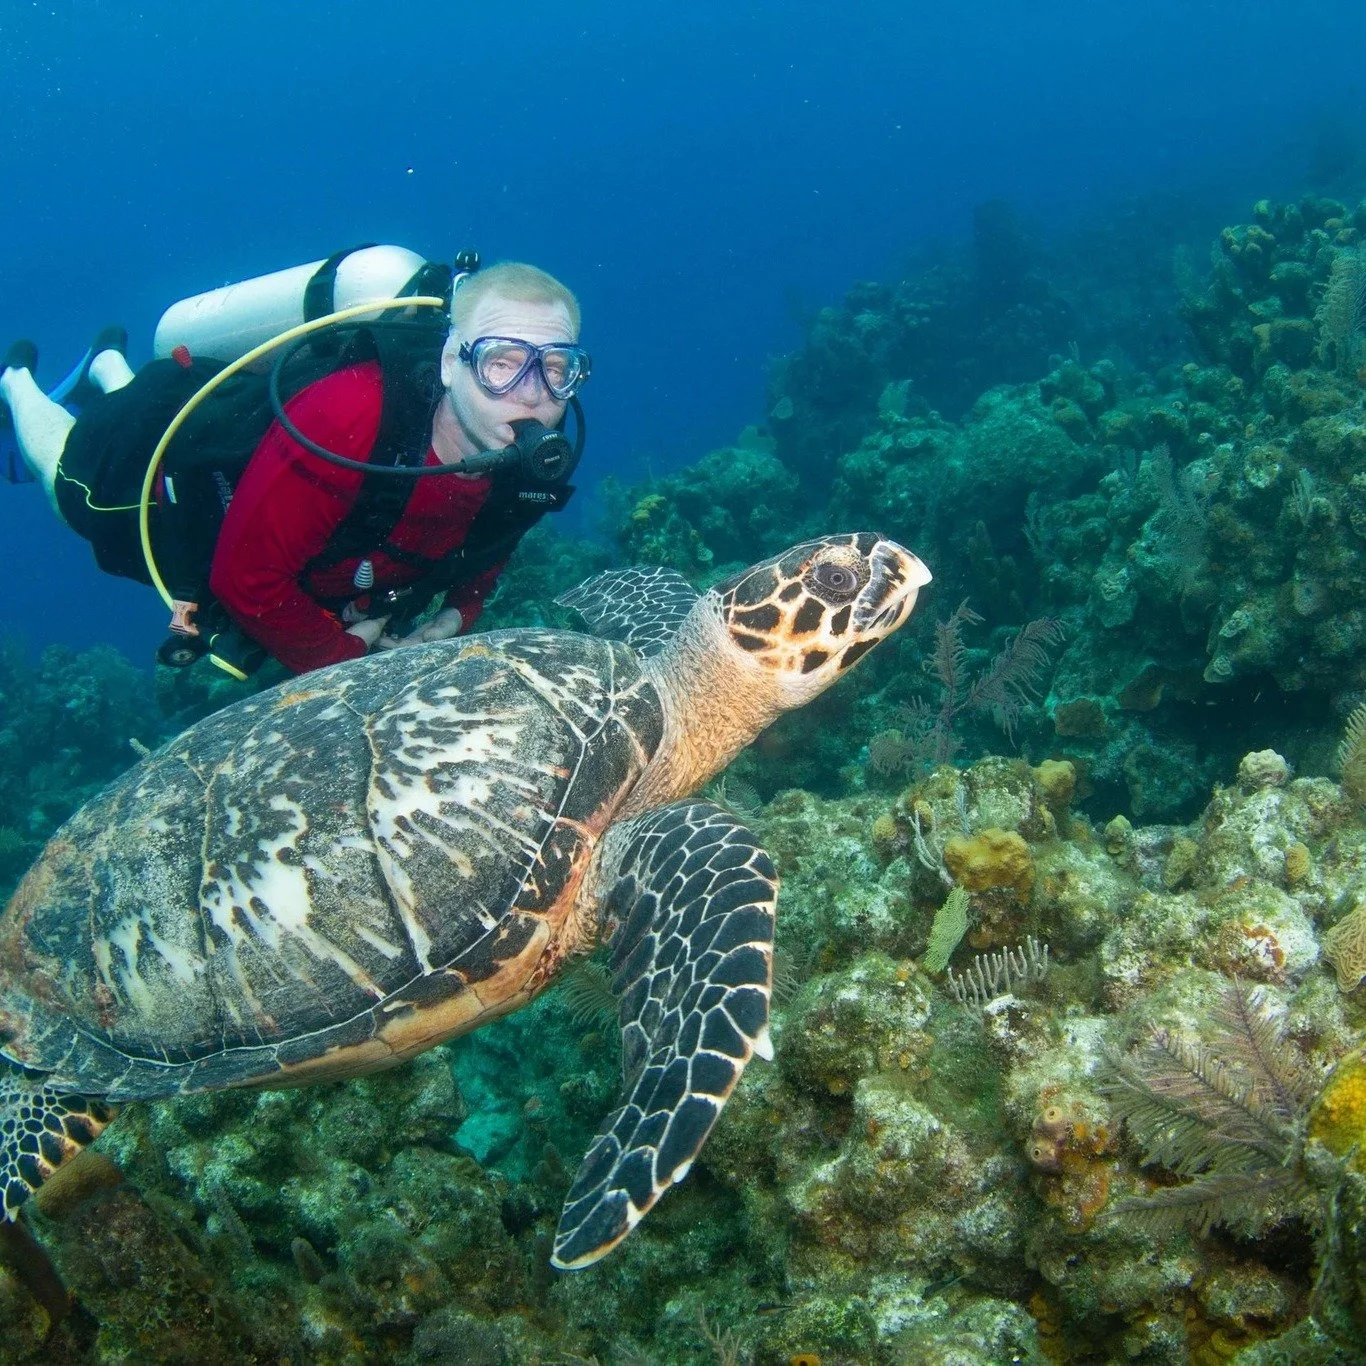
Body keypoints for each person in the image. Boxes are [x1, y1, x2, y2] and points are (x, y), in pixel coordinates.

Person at [0, 259, 590, 676]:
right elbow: (244, 579)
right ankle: (18, 380)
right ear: (448, 363)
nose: (530, 394)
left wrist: (462, 612)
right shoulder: (345, 422)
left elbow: (495, 539)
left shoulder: (530, 451)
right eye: (500, 362)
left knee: (131, 404)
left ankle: (108, 363)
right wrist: (342, 657)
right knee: (69, 484)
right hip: (171, 486)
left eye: (556, 367)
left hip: (228, 440)